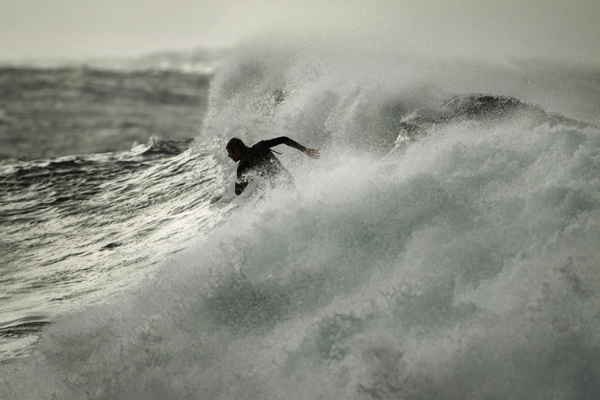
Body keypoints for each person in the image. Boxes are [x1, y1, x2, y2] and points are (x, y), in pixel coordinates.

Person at [226, 136, 320, 195]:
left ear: (237, 150)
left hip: (277, 191)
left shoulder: (242, 165)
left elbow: (238, 192)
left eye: (230, 152)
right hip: (288, 179)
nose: (229, 155)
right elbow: (284, 139)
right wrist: (304, 149)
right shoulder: (260, 146)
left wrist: (247, 180)